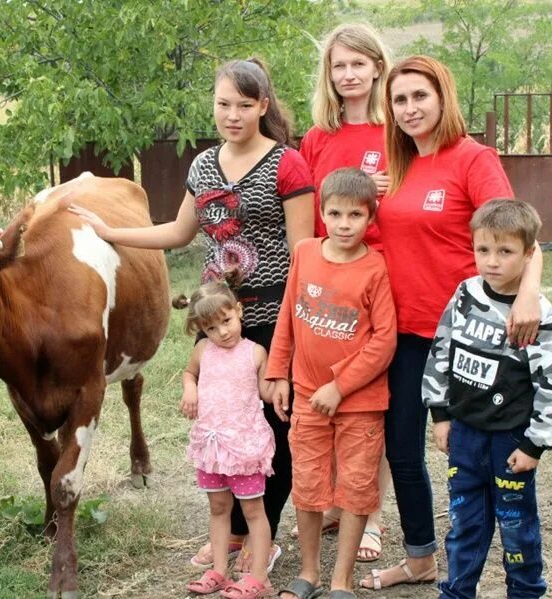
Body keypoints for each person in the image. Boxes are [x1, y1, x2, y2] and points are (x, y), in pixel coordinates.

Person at [70, 57, 314, 573]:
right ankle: (235, 534)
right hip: (215, 320)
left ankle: (260, 537)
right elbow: (179, 232)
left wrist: (292, 332)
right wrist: (111, 232)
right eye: (223, 104)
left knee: (269, 428)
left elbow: (303, 254)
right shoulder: (203, 166)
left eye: (244, 105)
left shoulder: (287, 164)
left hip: (271, 317)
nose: (232, 115)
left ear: (263, 106)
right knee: (224, 425)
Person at [360, 56, 544, 591]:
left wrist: (527, 295)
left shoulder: (472, 159)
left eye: (420, 96)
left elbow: (522, 238)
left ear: (443, 97)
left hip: (470, 337)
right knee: (401, 449)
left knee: (481, 460)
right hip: (405, 333)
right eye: (399, 100)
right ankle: (421, 558)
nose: (410, 108)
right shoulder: (394, 167)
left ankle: (515, 575)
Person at [423, 199, 552, 599]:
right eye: (483, 249)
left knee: (517, 526)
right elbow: (441, 351)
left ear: (528, 254)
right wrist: (440, 414)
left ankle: (525, 591)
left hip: (511, 442)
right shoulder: (466, 294)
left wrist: (535, 444)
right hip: (465, 435)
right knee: (464, 523)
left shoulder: (539, 316)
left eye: (505, 251)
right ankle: (457, 591)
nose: (492, 261)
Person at [267, 168, 396, 599]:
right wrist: (277, 372)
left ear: (371, 217)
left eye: (356, 215)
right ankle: (309, 574)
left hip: (360, 403)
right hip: (306, 395)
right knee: (307, 484)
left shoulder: (375, 267)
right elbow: (288, 315)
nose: (344, 224)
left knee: (356, 488)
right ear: (321, 213)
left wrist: (340, 387)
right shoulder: (305, 253)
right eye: (336, 214)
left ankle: (341, 581)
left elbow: (384, 341)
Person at [295, 22, 394, 563]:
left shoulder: (396, 128)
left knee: (368, 404)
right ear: (328, 75)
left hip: (380, 276)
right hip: (328, 287)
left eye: (359, 63)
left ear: (378, 67)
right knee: (326, 397)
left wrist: (388, 188)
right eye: (339, 65)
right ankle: (334, 505)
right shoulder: (317, 138)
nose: (349, 74)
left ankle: (371, 515)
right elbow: (311, 216)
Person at [176, 274, 276, 598]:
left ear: (238, 310)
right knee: (218, 507)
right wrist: (190, 389)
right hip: (211, 444)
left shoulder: (255, 353)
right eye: (211, 328)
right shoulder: (203, 350)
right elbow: (189, 373)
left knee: (253, 511)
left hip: (243, 446)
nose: (222, 332)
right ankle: (219, 570)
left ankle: (258, 576)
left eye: (226, 321)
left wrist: (281, 386)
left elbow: (266, 391)